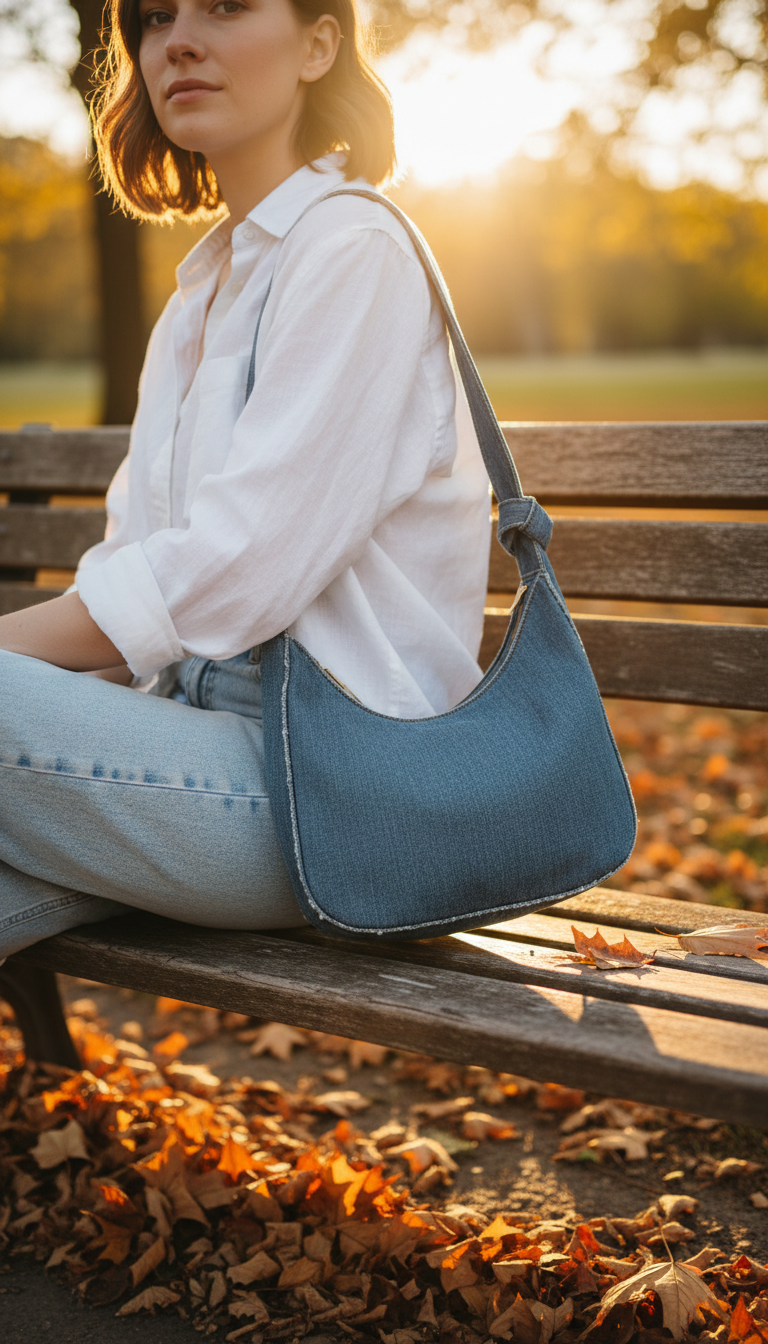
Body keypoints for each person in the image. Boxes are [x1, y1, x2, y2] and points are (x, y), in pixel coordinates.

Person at [0, 0, 490, 960]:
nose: (176, 39)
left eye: (224, 5)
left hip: (330, 790)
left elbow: (238, 567)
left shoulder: (355, 251)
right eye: (152, 18)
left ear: (319, 43)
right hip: (180, 751)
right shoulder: (199, 299)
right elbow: (138, 563)